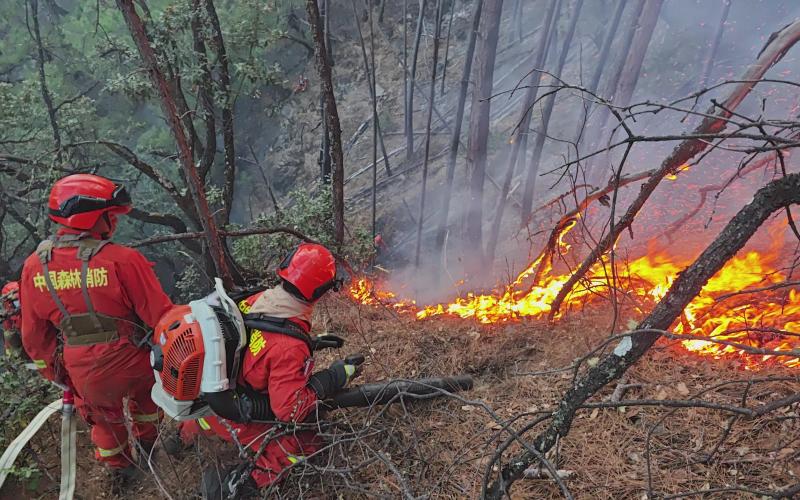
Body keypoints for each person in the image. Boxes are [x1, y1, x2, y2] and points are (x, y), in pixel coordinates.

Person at [164, 242, 358, 498]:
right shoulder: (289, 348)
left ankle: (182, 437)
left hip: (209, 404)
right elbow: (291, 410)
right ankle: (243, 485)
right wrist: (335, 376)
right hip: (236, 413)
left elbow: (263, 340)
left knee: (210, 417)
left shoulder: (257, 299)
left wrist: (311, 342)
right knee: (306, 440)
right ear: (320, 291)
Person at [20, 173, 173, 492]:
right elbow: (159, 315)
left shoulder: (36, 267)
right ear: (91, 216)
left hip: (84, 370)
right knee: (147, 403)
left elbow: (34, 337)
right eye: (110, 216)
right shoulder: (123, 260)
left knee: (104, 420)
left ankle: (120, 471)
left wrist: (57, 373)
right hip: (133, 358)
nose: (114, 224)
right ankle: (147, 449)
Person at [1, 281, 25, 357]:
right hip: (20, 329)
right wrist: (7, 346)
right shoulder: (8, 304)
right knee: (9, 334)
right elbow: (7, 325)